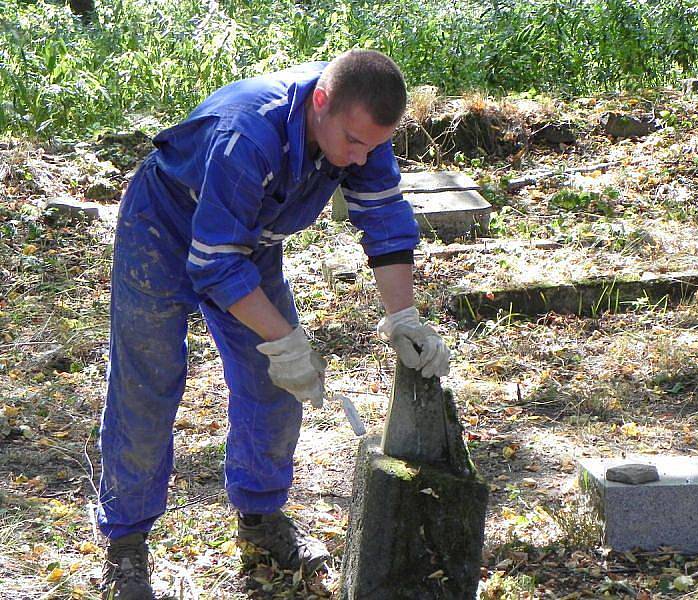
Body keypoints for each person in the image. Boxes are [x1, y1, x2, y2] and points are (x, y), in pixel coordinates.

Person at [98, 49, 450, 599]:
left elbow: (382, 215)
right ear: (321, 102)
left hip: (250, 242)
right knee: (147, 387)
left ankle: (261, 520)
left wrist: (403, 317)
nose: (361, 159)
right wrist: (286, 341)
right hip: (163, 228)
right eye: (354, 144)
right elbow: (214, 262)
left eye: (373, 147)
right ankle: (126, 544)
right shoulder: (249, 136)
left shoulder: (362, 131)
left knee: (272, 386)